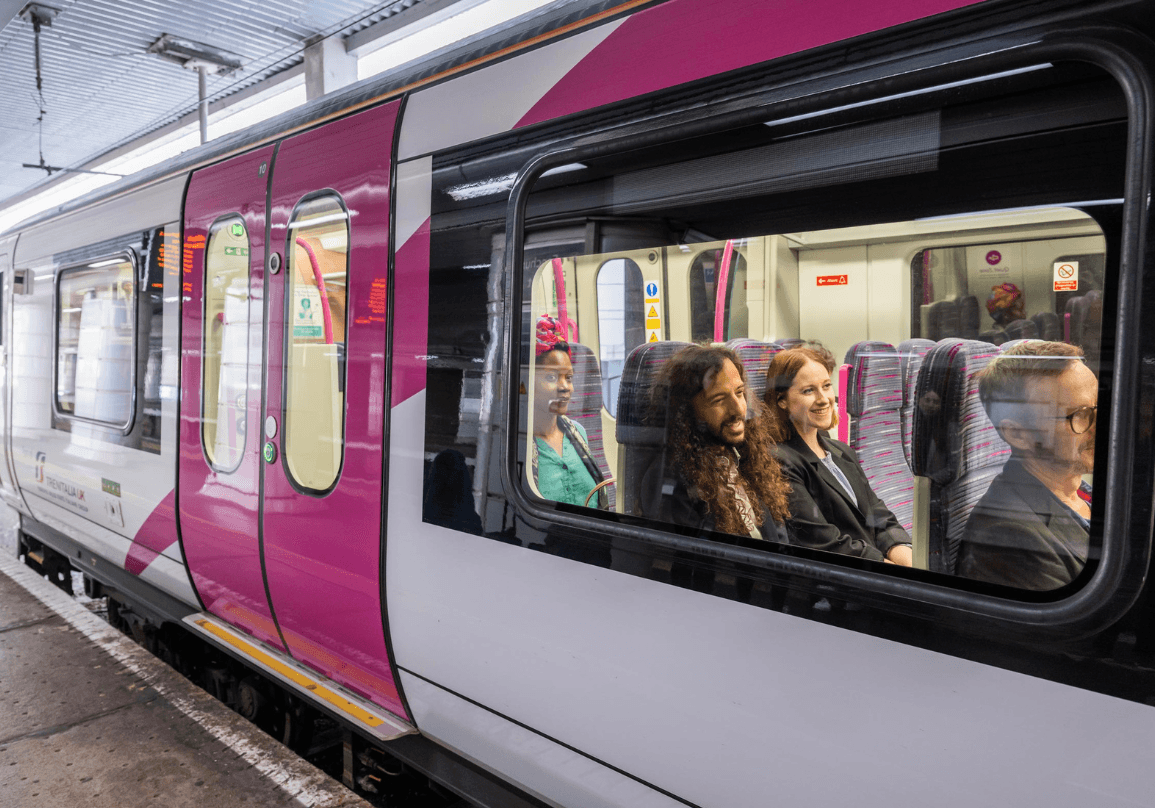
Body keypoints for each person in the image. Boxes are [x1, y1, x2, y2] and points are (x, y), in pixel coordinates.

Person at [956, 341, 1094, 589]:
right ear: (1018, 435)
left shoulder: (1081, 491)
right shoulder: (1008, 539)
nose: (1099, 425)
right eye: (1080, 415)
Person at [765, 346, 913, 566]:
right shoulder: (779, 460)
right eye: (808, 391)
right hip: (841, 582)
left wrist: (908, 561)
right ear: (782, 400)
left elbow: (879, 516)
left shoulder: (841, 451)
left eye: (826, 386)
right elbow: (825, 543)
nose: (824, 399)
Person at [641, 344, 789, 541]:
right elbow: (699, 565)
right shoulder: (671, 481)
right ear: (686, 412)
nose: (738, 410)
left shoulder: (743, 457)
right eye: (719, 400)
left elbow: (778, 540)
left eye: (739, 393)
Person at [529, 315, 608, 508]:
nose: (565, 387)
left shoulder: (578, 433)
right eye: (551, 376)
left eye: (569, 378)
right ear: (527, 380)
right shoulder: (518, 444)